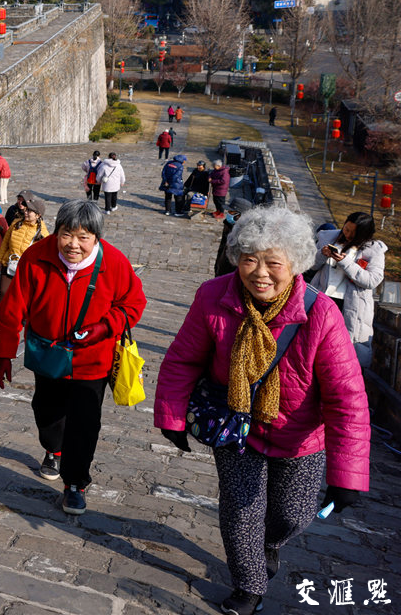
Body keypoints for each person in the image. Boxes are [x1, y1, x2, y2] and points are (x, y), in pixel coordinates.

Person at [154, 206, 370, 615]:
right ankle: (249, 582)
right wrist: (172, 415)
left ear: (296, 265)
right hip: (235, 426)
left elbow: (347, 397)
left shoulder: (321, 314)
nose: (260, 273)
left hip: (301, 437)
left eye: (274, 262)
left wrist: (348, 475)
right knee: (241, 508)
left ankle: (269, 545)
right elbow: (184, 359)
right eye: (250, 260)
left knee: (292, 516)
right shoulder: (213, 296)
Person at [0, 200, 146, 515]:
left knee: (85, 424)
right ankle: (54, 448)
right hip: (47, 355)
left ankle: (75, 483)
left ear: (96, 238)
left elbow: (133, 304)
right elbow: (12, 310)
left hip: (93, 359)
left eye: (83, 237)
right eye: (66, 235)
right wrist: (3, 354)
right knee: (47, 414)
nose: (73, 244)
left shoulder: (114, 262)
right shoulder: (36, 257)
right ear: (57, 232)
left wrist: (105, 328)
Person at [311, 212, 387, 369]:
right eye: (346, 229)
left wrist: (345, 262)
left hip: (349, 306)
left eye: (354, 233)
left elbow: (372, 280)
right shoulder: (329, 238)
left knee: (342, 354)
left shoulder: (374, 250)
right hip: (322, 300)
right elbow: (310, 266)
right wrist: (321, 255)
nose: (348, 235)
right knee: (314, 346)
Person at [0, 192, 49, 300]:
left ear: (38, 215)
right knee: (3, 292)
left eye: (30, 211)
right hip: (9, 263)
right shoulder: (16, 223)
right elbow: (5, 242)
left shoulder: (42, 233)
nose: (26, 212)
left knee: (21, 297)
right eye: (26, 209)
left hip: (26, 270)